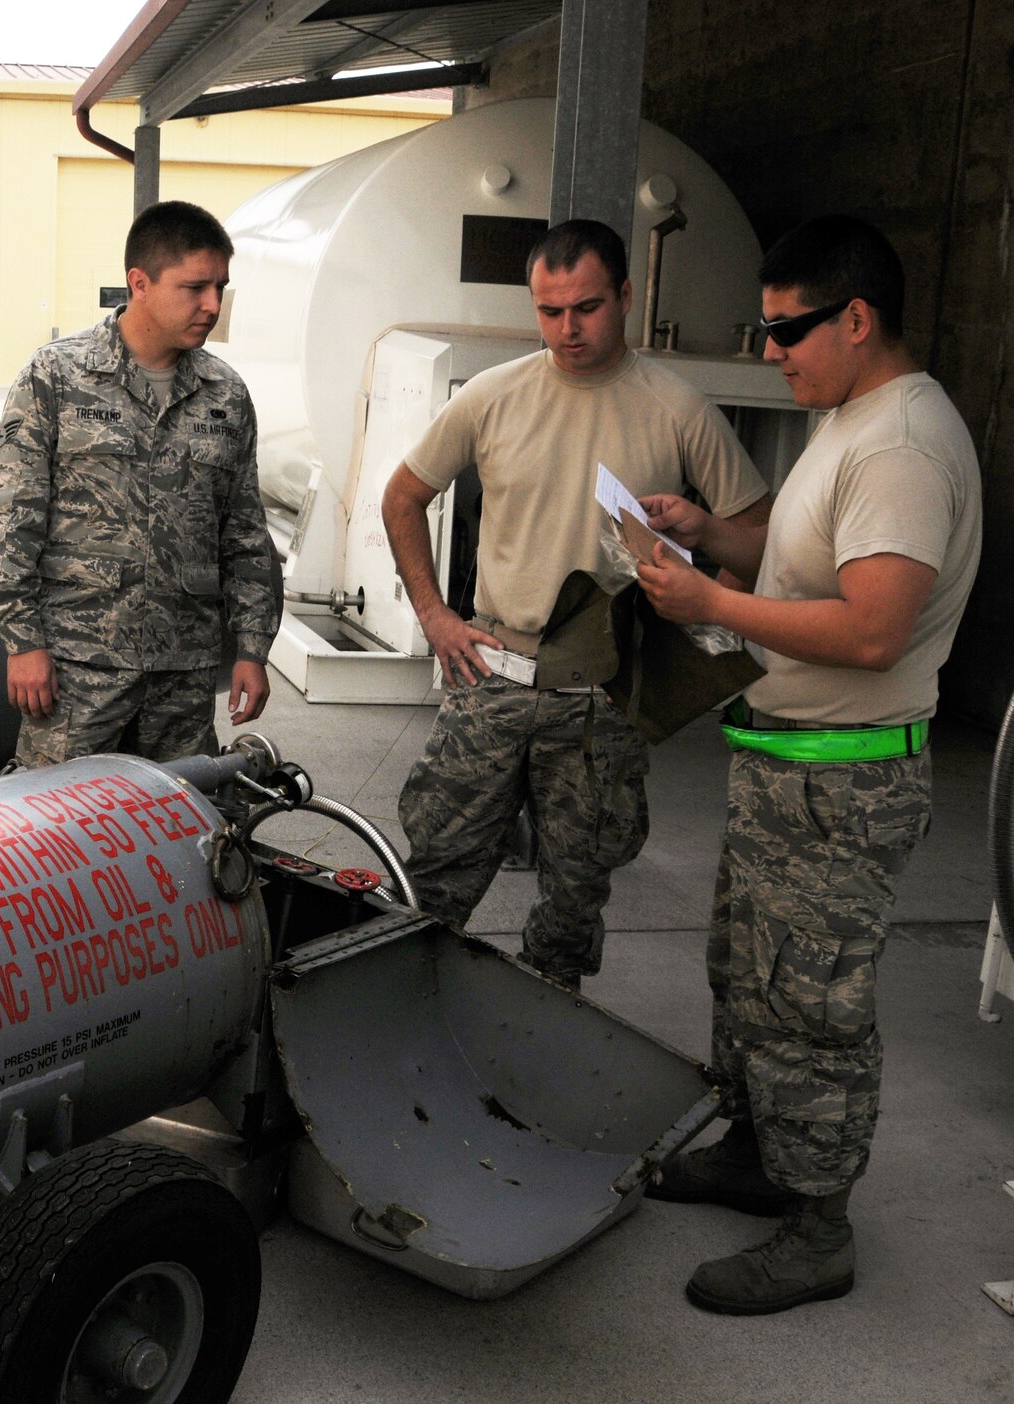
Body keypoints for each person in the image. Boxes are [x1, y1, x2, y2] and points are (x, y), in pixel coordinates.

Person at [637, 215, 982, 1314]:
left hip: (841, 783)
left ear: (856, 319)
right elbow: (804, 565)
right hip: (787, 765)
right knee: (750, 983)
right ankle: (756, 1155)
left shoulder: (898, 448)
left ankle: (815, 1229)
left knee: (811, 1008)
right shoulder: (849, 422)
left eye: (785, 329)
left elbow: (873, 628)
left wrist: (707, 603)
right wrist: (706, 534)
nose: (770, 349)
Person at [380, 220, 770, 987]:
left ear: (625, 296)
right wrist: (433, 616)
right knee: (431, 884)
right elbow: (402, 498)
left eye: (586, 307)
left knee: (572, 903)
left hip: (601, 700)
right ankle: (407, 1022)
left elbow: (755, 534)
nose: (567, 328)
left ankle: (542, 1037)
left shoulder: (678, 408)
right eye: (549, 310)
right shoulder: (494, 396)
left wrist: (703, 632)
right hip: (490, 676)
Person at [0, 200, 279, 767]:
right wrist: (23, 643)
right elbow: (4, 524)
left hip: (183, 676)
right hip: (76, 669)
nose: (212, 306)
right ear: (139, 283)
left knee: (177, 828)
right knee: (56, 832)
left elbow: (245, 535)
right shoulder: (57, 377)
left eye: (220, 287)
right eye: (194, 288)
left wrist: (254, 648)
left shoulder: (225, 395)